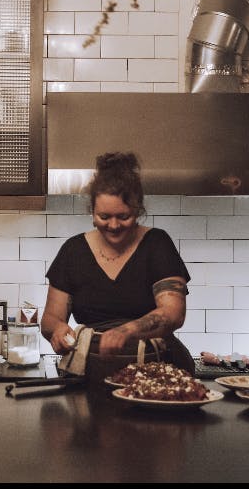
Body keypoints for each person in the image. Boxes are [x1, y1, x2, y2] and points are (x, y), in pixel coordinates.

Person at [40, 151, 193, 376]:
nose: (113, 225)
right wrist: (58, 330)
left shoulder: (157, 244)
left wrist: (127, 330)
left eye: (123, 217)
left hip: (156, 372)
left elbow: (173, 313)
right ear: (92, 212)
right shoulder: (73, 251)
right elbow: (50, 319)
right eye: (104, 217)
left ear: (138, 210)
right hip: (90, 373)